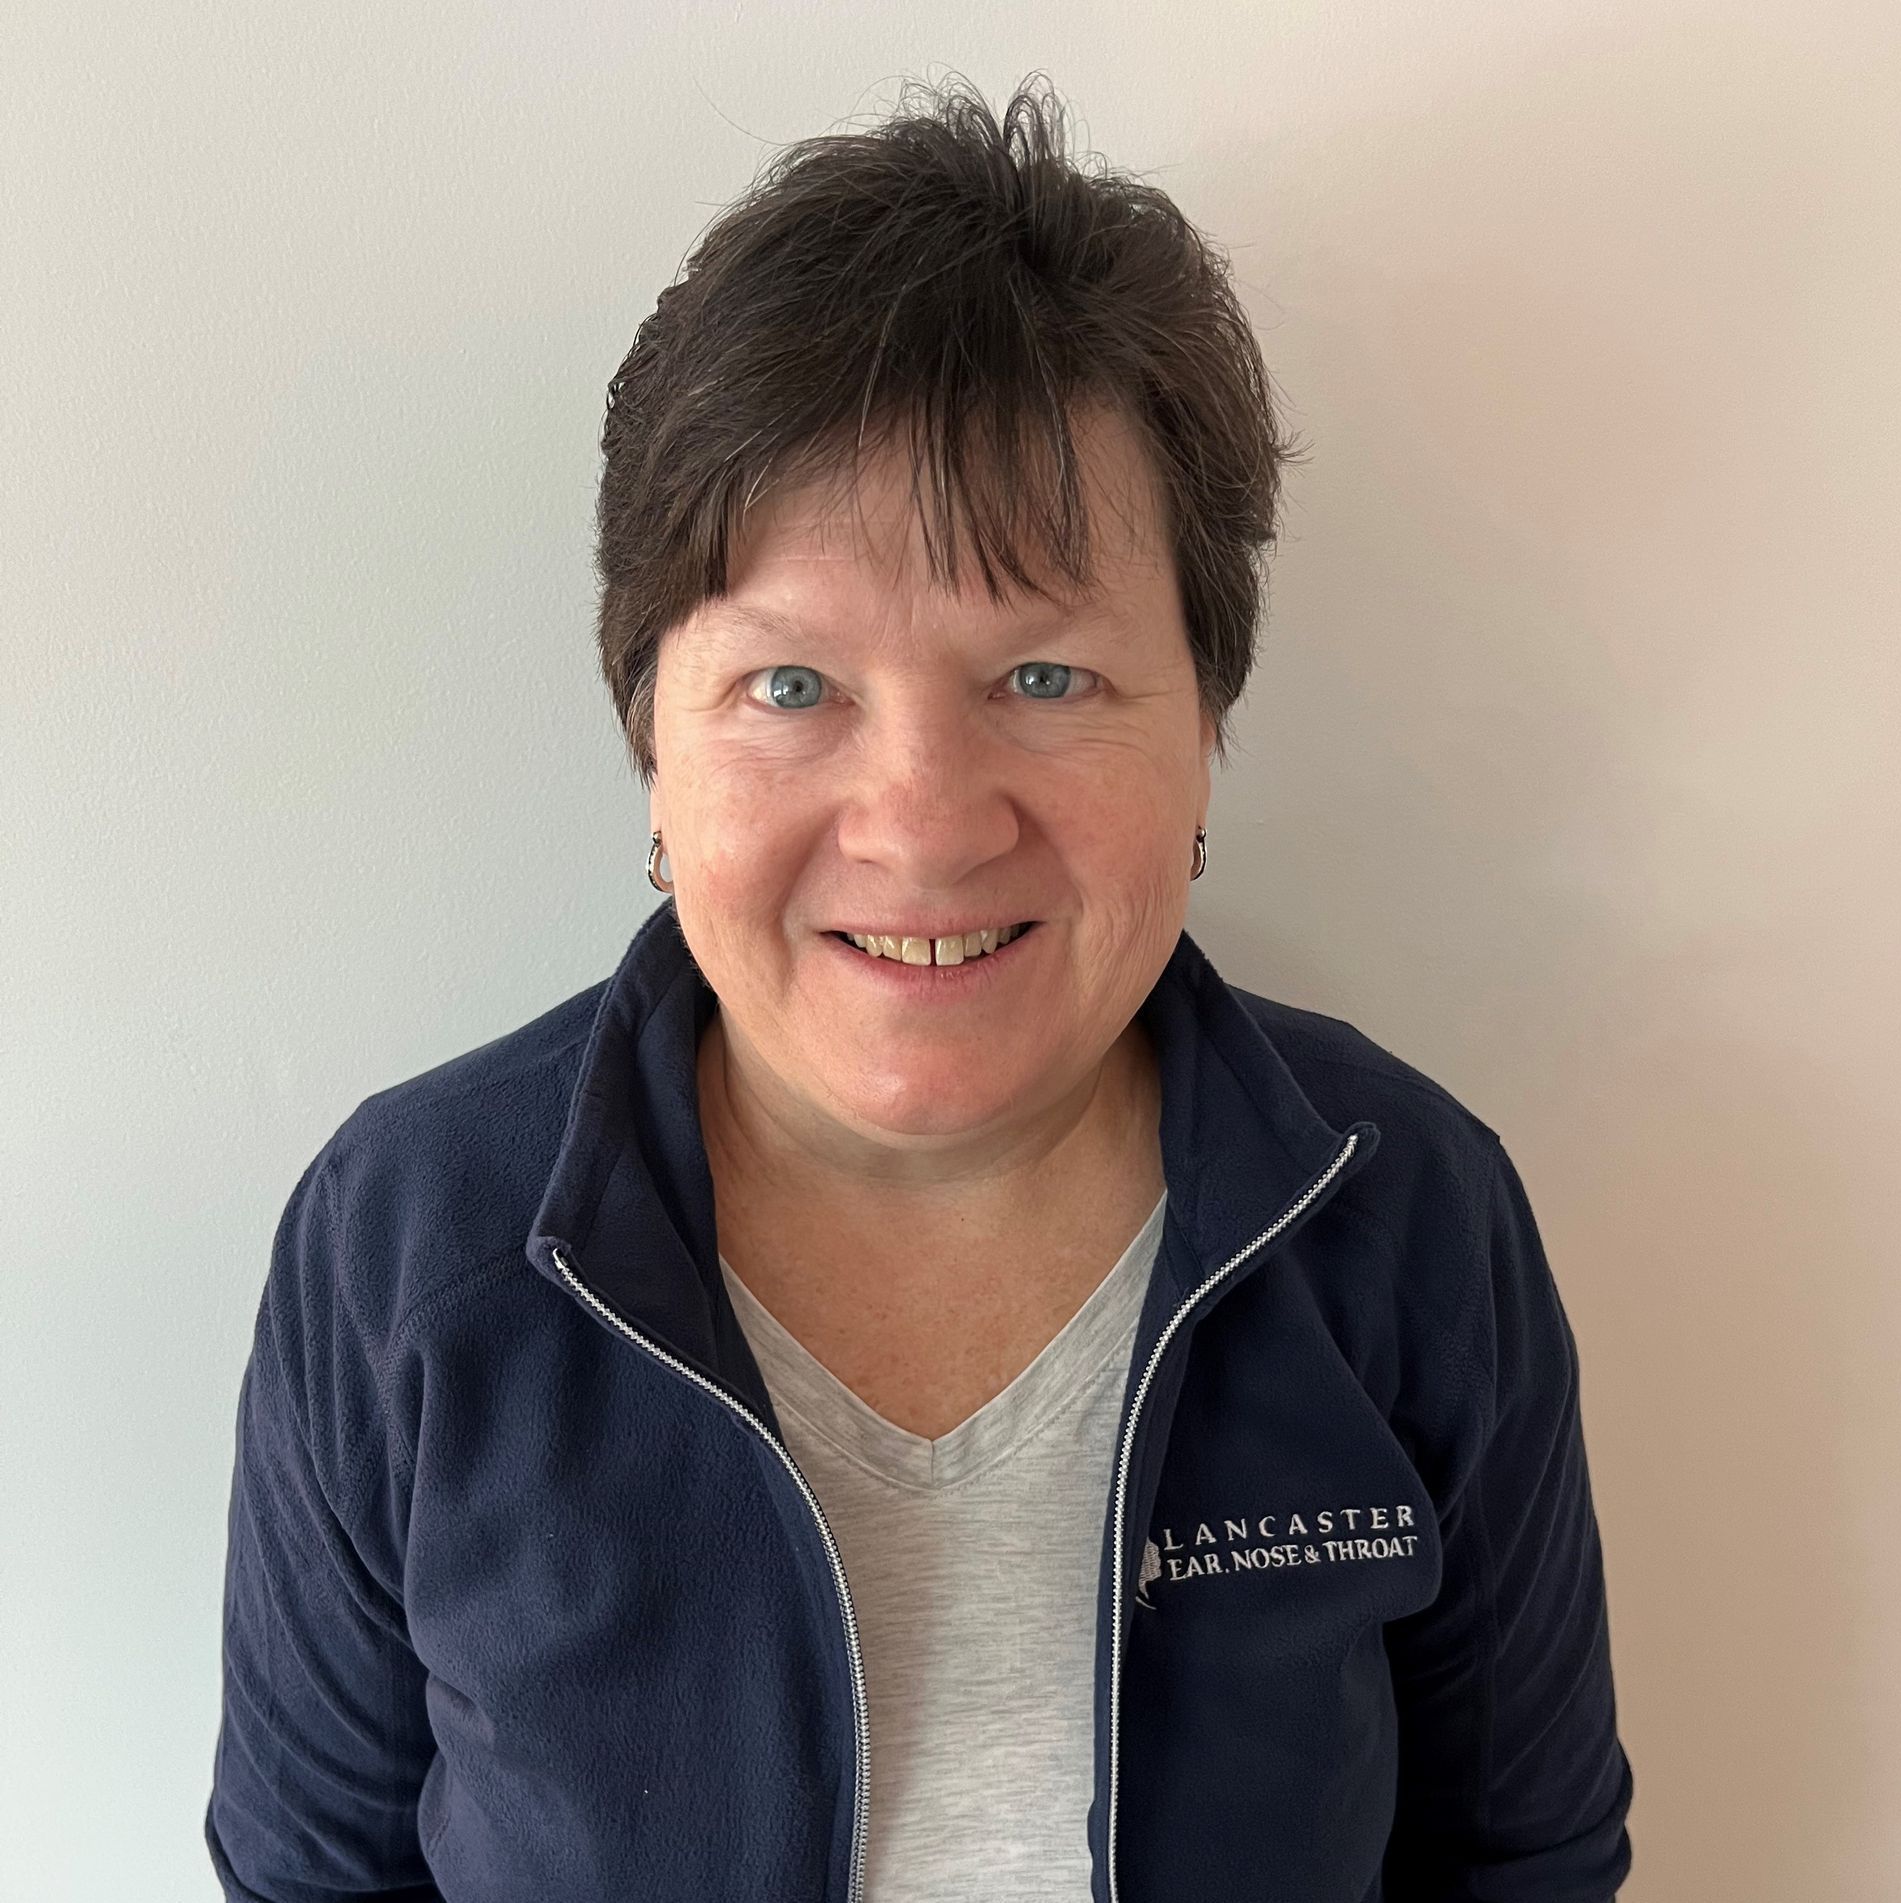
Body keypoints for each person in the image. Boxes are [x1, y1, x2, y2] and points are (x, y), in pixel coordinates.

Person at [204, 74, 1633, 1903]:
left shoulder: (1410, 1217)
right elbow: (316, 1880)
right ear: (654, 744)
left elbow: (1520, 1863)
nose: (927, 826)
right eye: (792, 687)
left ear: (1206, 721)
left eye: (1045, 677)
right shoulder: (404, 1244)